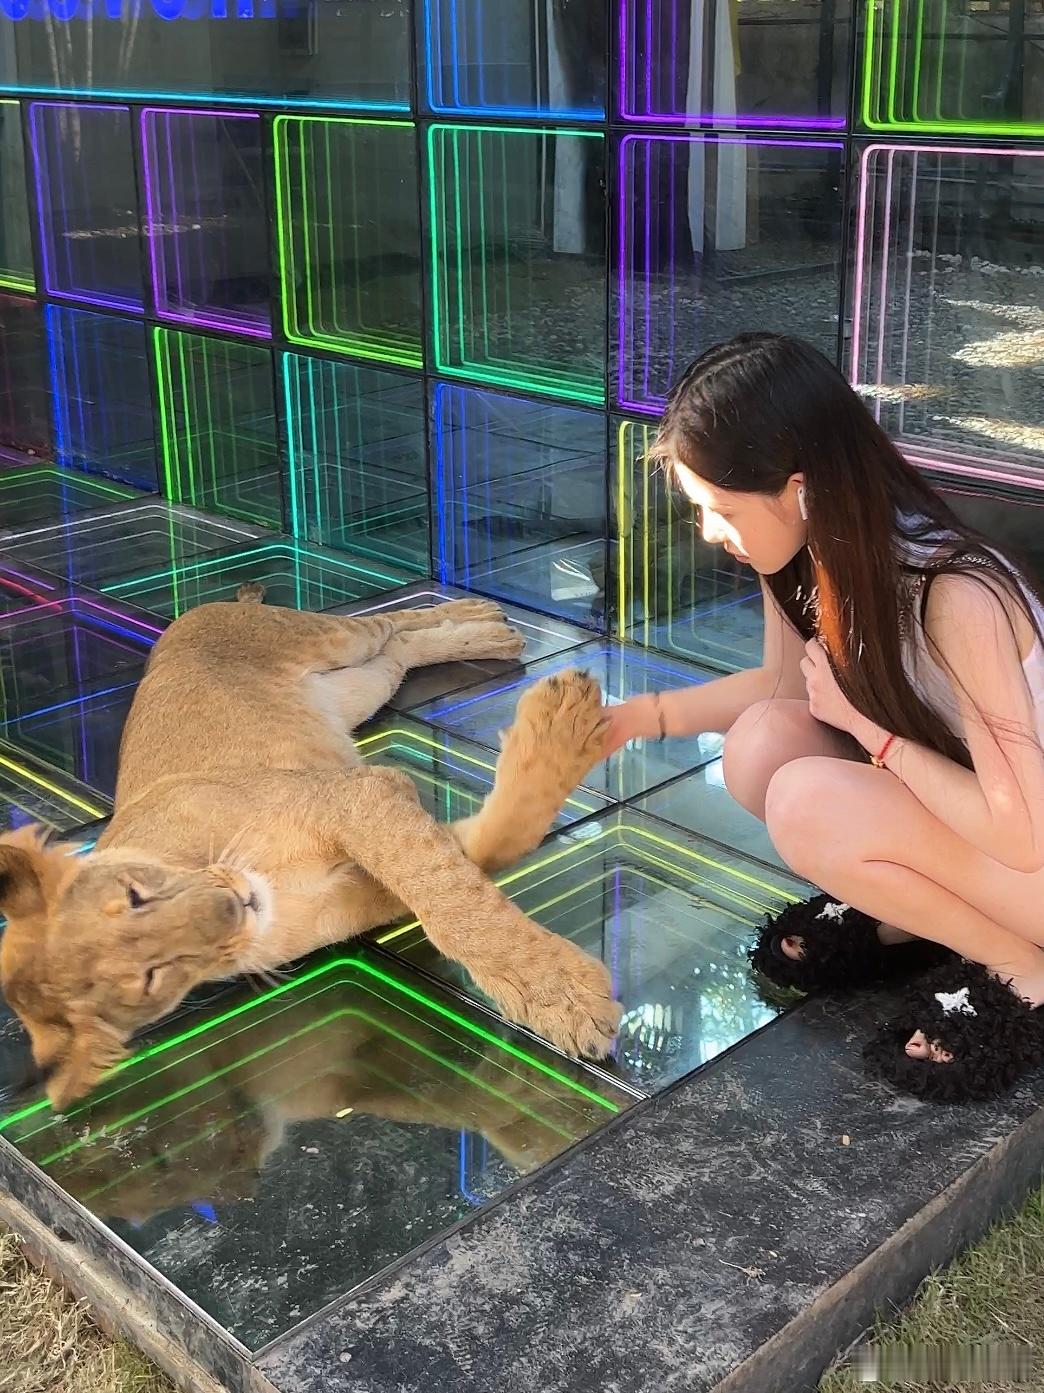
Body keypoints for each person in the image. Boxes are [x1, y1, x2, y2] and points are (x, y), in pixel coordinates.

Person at [602, 332, 1044, 1103]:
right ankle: (913, 923)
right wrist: (640, 717)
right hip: (984, 829)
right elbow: (780, 690)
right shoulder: (809, 559)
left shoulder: (953, 592)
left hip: (1030, 849)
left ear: (799, 490)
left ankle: (1020, 968)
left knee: (806, 800)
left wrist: (871, 733)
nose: (708, 532)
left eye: (721, 509)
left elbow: (1023, 833)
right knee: (760, 747)